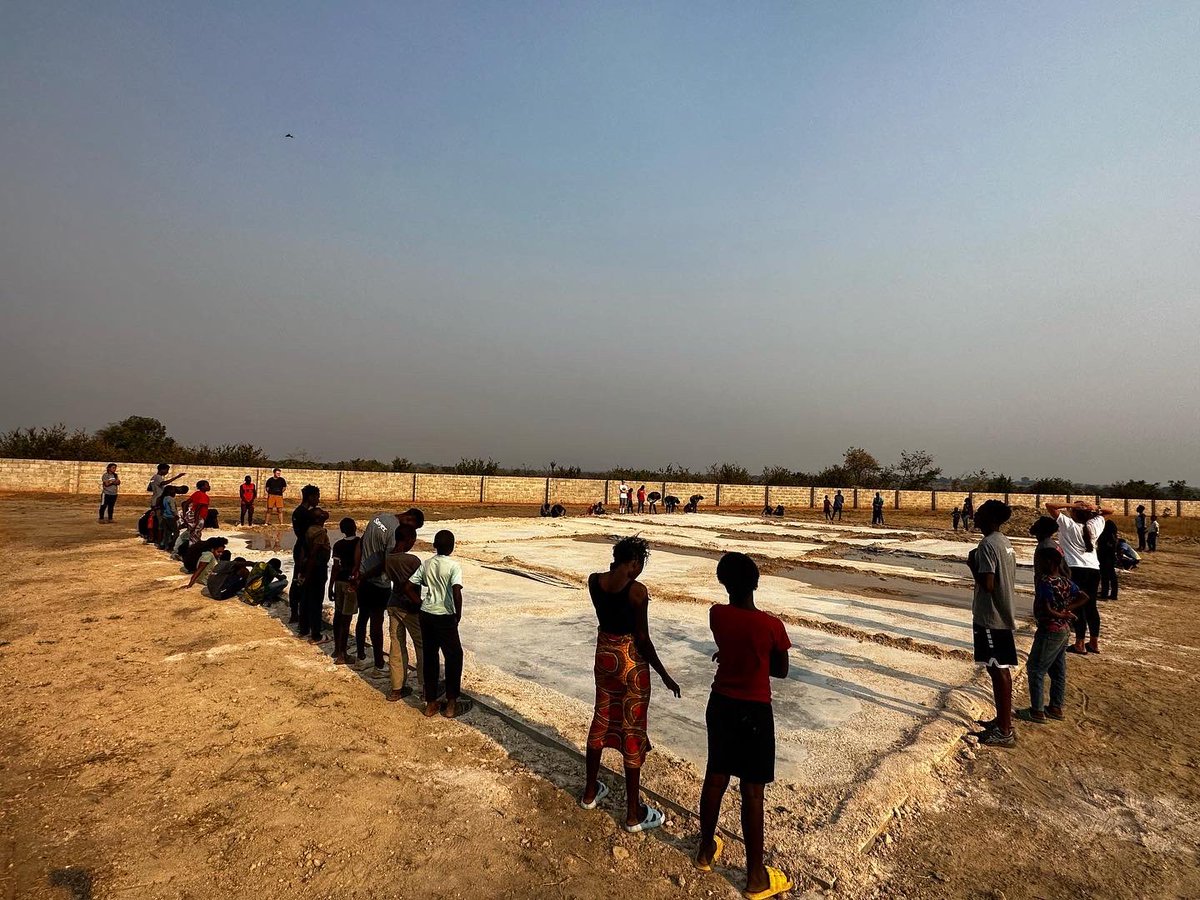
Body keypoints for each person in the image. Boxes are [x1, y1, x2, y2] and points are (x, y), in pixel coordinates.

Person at [694, 552, 793, 899]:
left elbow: (732, 642)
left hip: (720, 704)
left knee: (716, 776)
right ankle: (755, 876)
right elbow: (780, 670)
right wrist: (755, 657)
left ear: (723, 582)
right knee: (752, 791)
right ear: (756, 582)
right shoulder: (771, 626)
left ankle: (706, 850)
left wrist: (735, 655)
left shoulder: (717, 615)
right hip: (754, 711)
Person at [578, 537, 681, 833]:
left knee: (601, 717)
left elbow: (607, 603)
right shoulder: (637, 592)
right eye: (640, 564)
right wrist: (663, 674)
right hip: (630, 664)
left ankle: (589, 792)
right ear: (634, 562)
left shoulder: (594, 581)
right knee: (632, 729)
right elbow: (643, 639)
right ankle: (634, 813)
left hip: (604, 657)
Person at [967, 499, 1018, 747]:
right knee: (998, 667)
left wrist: (971, 566)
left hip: (991, 616)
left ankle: (1005, 730)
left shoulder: (987, 544)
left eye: (979, 513)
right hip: (1004, 613)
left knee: (997, 668)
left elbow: (988, 585)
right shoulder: (1004, 542)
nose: (975, 516)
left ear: (989, 518)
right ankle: (1003, 721)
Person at [1019, 547, 1089, 725]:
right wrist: (1067, 610)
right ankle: (1056, 707)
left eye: (1040, 561)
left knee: (1036, 669)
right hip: (1064, 630)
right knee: (1058, 670)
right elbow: (1083, 596)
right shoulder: (1065, 581)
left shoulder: (1046, 582)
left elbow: (1047, 608)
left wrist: (1061, 613)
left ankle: (1037, 711)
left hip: (1050, 629)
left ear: (1049, 563)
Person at [405, 529, 469, 718]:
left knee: (431, 657)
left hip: (427, 614)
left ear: (434, 546)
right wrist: (457, 614)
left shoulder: (427, 564)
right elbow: (456, 592)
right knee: (454, 657)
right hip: (444, 615)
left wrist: (420, 603)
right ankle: (451, 704)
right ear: (452, 547)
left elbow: (408, 586)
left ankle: (431, 703)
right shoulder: (453, 566)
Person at [355, 507, 425, 671]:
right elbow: (387, 564)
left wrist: (357, 569)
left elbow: (361, 542)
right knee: (376, 623)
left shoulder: (379, 518)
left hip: (363, 575)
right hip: (378, 583)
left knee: (362, 618)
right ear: (409, 519)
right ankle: (379, 664)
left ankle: (360, 656)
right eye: (413, 528)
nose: (410, 532)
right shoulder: (394, 534)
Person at [1046, 500, 1111, 655]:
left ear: (1074, 513)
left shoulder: (1068, 525)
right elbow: (1110, 511)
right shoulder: (1094, 524)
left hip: (1074, 569)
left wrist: (1072, 505)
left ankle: (1080, 643)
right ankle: (1094, 642)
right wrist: (1095, 507)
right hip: (1094, 569)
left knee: (1078, 606)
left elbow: (1050, 505)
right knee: (1091, 606)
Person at [386, 524, 424, 701]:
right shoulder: (412, 560)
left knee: (396, 644)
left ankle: (396, 688)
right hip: (410, 606)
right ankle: (425, 686)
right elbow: (420, 583)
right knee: (421, 645)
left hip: (393, 604)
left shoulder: (388, 558)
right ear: (408, 539)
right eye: (413, 540)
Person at [288, 485, 321, 626]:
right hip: (305, 549)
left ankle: (295, 612)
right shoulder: (306, 514)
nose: (318, 500)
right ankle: (301, 613)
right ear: (310, 497)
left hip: (300, 547)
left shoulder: (298, 512)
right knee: (303, 580)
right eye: (317, 497)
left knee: (297, 579)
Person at [329, 518, 360, 665]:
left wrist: (330, 586)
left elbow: (335, 567)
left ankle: (337, 648)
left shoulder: (338, 545)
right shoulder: (359, 543)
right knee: (346, 619)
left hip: (339, 582)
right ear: (355, 527)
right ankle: (343, 654)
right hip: (351, 583)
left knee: (338, 615)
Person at [299, 508, 331, 643]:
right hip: (316, 569)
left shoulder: (309, 530)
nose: (325, 513)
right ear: (318, 519)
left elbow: (303, 552)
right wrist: (308, 573)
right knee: (316, 602)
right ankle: (316, 635)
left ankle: (304, 628)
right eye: (321, 513)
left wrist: (302, 570)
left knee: (306, 599)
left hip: (309, 568)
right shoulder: (320, 533)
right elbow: (313, 554)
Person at [147, 463, 186, 543]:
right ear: (162, 469)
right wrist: (177, 477)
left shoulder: (153, 478)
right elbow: (163, 483)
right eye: (167, 470)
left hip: (154, 499)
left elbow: (149, 488)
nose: (167, 472)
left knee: (156, 521)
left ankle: (155, 537)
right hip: (158, 501)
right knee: (161, 523)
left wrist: (156, 489)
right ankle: (160, 539)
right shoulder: (158, 477)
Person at [175, 481, 212, 553]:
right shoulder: (204, 496)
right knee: (194, 537)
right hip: (199, 517)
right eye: (207, 485)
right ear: (202, 487)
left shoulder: (196, 494)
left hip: (192, 516)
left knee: (192, 534)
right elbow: (198, 508)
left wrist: (185, 516)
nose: (209, 487)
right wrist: (196, 520)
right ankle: (192, 552)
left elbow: (185, 504)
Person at [1097, 520, 1120, 600]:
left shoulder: (1105, 536)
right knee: (1112, 576)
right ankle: (1113, 594)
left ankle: (1104, 593)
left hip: (1105, 558)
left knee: (1105, 576)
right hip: (1110, 558)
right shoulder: (1113, 538)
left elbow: (1102, 548)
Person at [157, 486, 181, 551]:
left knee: (167, 533)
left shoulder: (164, 498)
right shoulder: (171, 499)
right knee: (176, 532)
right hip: (171, 517)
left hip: (165, 517)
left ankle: (164, 545)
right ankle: (172, 544)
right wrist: (176, 515)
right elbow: (173, 509)